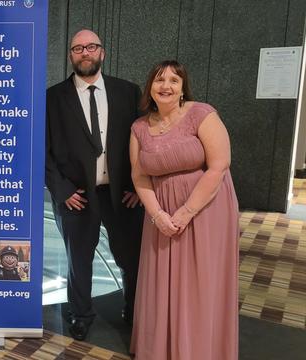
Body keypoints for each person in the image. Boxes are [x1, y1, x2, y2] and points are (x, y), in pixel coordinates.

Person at [129, 60, 239, 360]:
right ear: (150, 87)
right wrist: (158, 215)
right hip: (161, 213)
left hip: (206, 209)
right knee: (161, 281)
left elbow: (219, 166)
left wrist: (186, 211)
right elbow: (139, 176)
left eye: (173, 81)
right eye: (159, 80)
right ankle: (163, 348)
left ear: (182, 89)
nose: (166, 86)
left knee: (201, 280)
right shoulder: (139, 127)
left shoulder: (202, 114)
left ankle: (202, 349)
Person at [45, 29, 144, 341]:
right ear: (71, 55)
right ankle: (80, 314)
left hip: (122, 194)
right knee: (79, 259)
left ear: (102, 52)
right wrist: (61, 190)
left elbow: (144, 142)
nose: (84, 53)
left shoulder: (129, 92)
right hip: (77, 194)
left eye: (90, 47)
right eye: (77, 48)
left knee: (130, 256)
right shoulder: (52, 97)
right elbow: (41, 149)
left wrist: (139, 186)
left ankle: (134, 308)